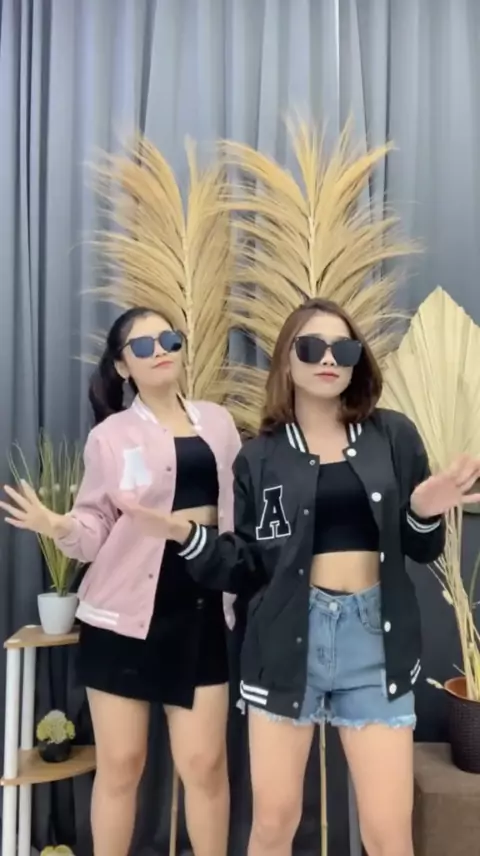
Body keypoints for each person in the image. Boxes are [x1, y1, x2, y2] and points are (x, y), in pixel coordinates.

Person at [118, 297, 480, 856]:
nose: (329, 359)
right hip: (285, 642)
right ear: (287, 360)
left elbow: (420, 546)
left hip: (374, 642)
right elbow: (245, 566)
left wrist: (423, 510)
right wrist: (184, 535)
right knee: (273, 825)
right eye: (311, 348)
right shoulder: (259, 457)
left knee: (388, 832)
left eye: (344, 349)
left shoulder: (394, 436)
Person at [1, 306, 241, 856]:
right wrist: (59, 525)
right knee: (122, 765)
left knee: (205, 764)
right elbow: (95, 530)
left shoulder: (219, 424)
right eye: (144, 345)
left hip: (201, 610)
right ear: (122, 366)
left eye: (169, 340)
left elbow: (236, 515)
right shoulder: (111, 436)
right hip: (122, 618)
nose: (161, 351)